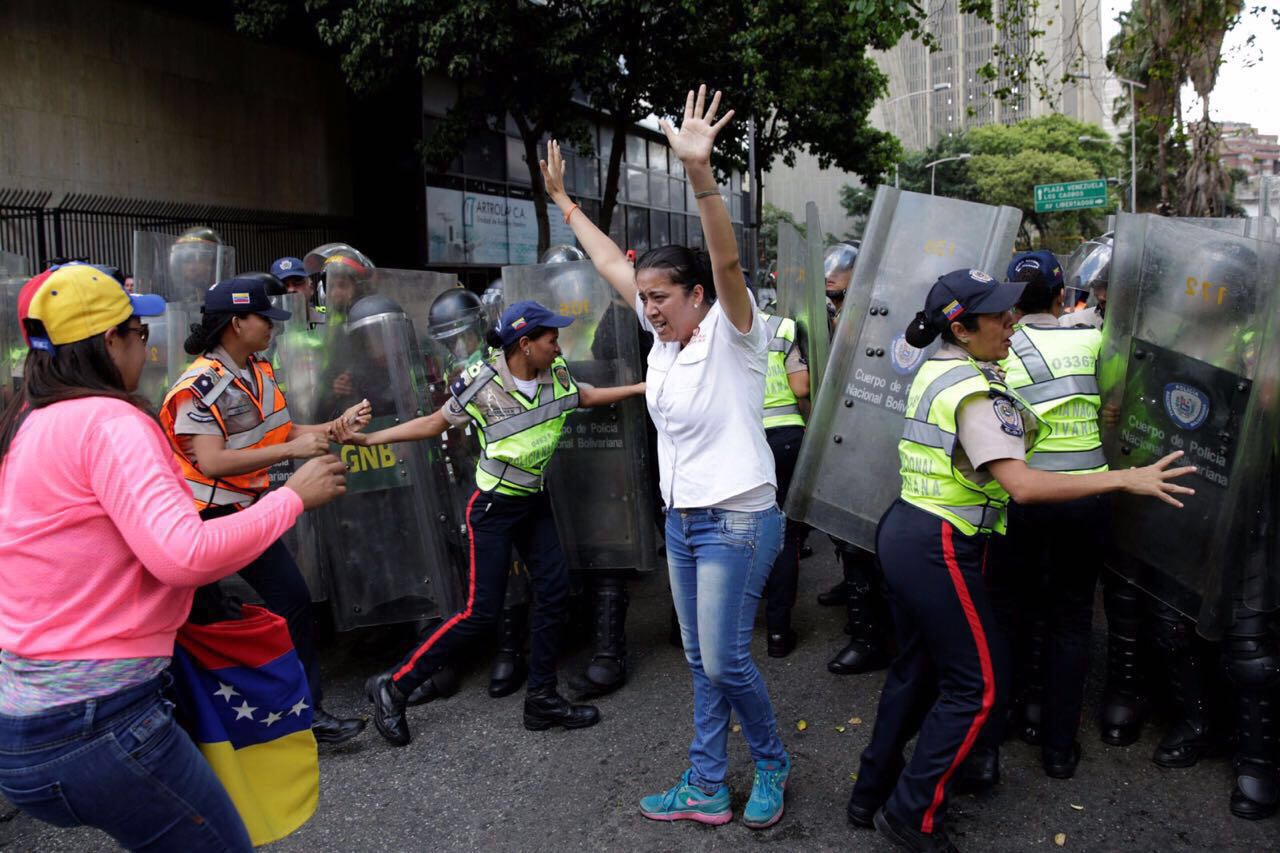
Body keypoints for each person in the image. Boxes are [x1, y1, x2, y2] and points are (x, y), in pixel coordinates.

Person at [846, 268, 1196, 852]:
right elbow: (1026, 487)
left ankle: (869, 795)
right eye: (999, 316)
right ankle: (911, 813)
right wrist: (1125, 478)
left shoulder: (945, 368)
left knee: (918, 669)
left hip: (909, 529)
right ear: (961, 325)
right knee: (979, 686)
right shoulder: (974, 393)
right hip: (941, 543)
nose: (1012, 323)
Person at [0, 263, 346, 850]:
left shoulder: (29, 422)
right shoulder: (110, 420)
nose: (146, 343)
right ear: (111, 341)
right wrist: (291, 498)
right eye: (138, 331)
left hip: (26, 724)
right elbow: (183, 555)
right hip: (102, 721)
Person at [544, 85, 791, 830]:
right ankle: (708, 783)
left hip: (740, 520)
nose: (648, 306)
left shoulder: (734, 331)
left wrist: (700, 173)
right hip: (683, 522)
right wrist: (564, 202)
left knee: (725, 661)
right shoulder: (662, 339)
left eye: (662, 295)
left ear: (696, 296)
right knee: (700, 658)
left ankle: (773, 761)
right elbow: (609, 264)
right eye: (643, 296)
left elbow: (725, 259)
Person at [357, 299, 645, 744]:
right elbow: (434, 424)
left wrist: (643, 388)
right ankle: (394, 686)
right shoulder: (480, 385)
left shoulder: (557, 373)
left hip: (534, 501)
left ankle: (542, 700)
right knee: (478, 613)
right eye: (551, 339)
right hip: (492, 507)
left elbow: (583, 395)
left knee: (553, 594)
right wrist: (372, 436)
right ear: (524, 344)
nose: (558, 345)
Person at [158, 272, 370, 745]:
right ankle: (197, 728)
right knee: (199, 621)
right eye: (263, 318)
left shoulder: (258, 369)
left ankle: (306, 713)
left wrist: (335, 425)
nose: (272, 326)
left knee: (292, 599)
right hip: (201, 519)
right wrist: (288, 455)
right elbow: (211, 462)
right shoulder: (198, 386)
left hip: (243, 512)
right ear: (236, 323)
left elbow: (284, 431)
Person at [974, 251, 1109, 784]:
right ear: (1061, 296)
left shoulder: (998, 347)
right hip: (1086, 497)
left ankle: (1001, 725)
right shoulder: (1094, 343)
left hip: (1020, 497)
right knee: (1071, 619)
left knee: (1007, 613)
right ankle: (1058, 746)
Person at [757, 306, 809, 657]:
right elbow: (801, 386)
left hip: (738, 440)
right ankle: (778, 633)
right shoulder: (781, 327)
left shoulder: (704, 330)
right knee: (784, 533)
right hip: (785, 436)